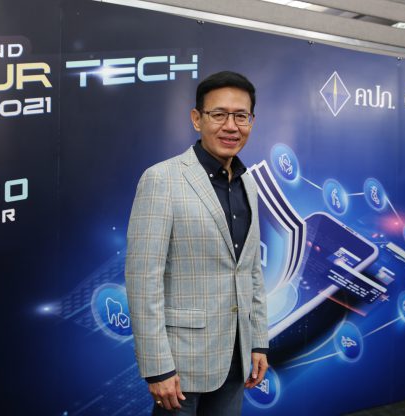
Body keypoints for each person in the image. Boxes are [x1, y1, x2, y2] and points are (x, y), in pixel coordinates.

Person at [125, 71, 268, 415]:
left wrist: (258, 341)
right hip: (181, 364)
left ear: (251, 121)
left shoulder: (248, 183)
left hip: (236, 356)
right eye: (218, 114)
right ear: (196, 119)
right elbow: (143, 279)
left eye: (241, 116)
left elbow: (250, 271)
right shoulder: (162, 179)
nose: (231, 126)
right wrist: (157, 367)